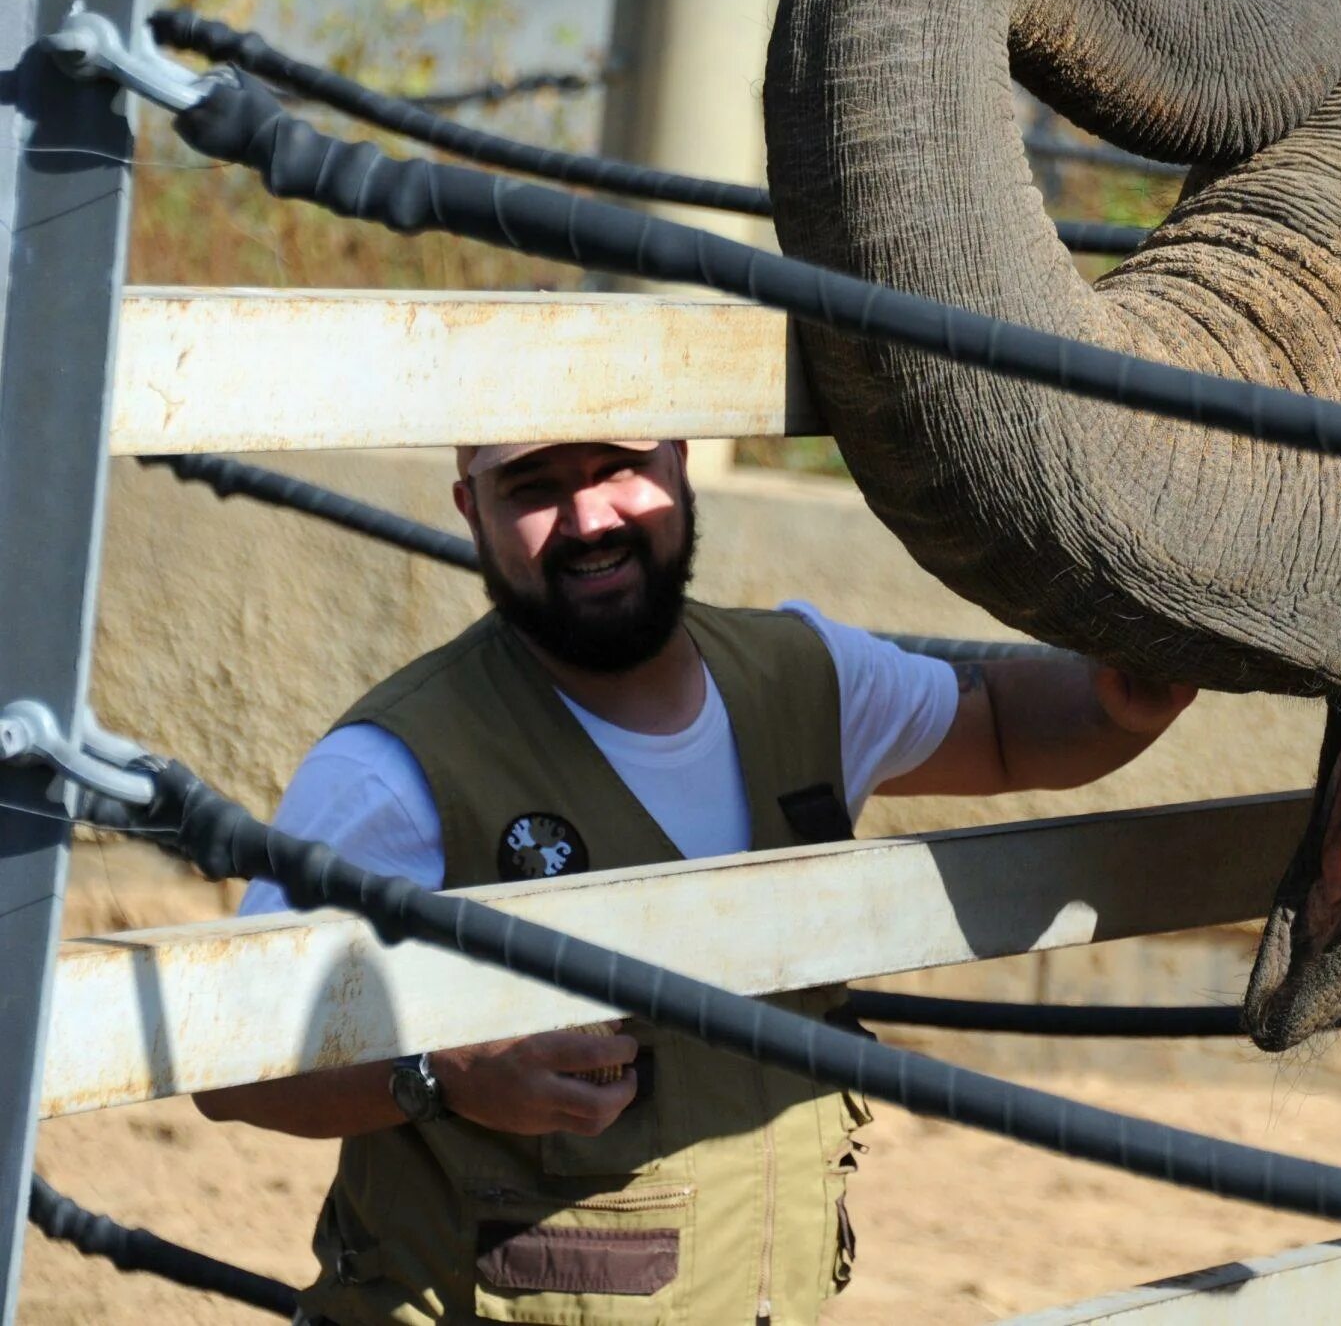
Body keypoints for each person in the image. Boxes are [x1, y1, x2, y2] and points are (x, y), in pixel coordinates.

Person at [196, 439, 1195, 1326]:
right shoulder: (398, 765)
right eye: (534, 485)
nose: (589, 518)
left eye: (617, 467)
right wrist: (434, 1074)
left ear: (680, 461)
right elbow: (230, 1063)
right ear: (471, 508)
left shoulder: (803, 677)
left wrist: (1127, 694)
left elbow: (1006, 727)